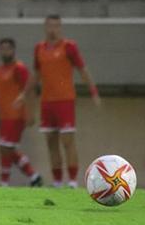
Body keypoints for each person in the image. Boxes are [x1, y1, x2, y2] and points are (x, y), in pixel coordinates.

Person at [17, 14, 100, 188]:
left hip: (65, 100)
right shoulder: (39, 48)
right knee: (50, 142)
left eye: (56, 26)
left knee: (68, 141)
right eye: (50, 26)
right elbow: (37, 74)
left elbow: (82, 69)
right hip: (47, 101)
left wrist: (93, 91)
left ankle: (72, 181)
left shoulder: (69, 47)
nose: (53, 29)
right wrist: (24, 94)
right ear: (45, 27)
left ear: (60, 28)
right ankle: (56, 181)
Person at [0, 38, 41, 187]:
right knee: (7, 149)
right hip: (4, 116)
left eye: (8, 48)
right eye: (2, 49)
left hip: (16, 115)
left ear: (13, 50)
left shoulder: (19, 68)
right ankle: (34, 176)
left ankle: (4, 182)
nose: (5, 51)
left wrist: (30, 113)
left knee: (5, 148)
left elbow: (29, 90)